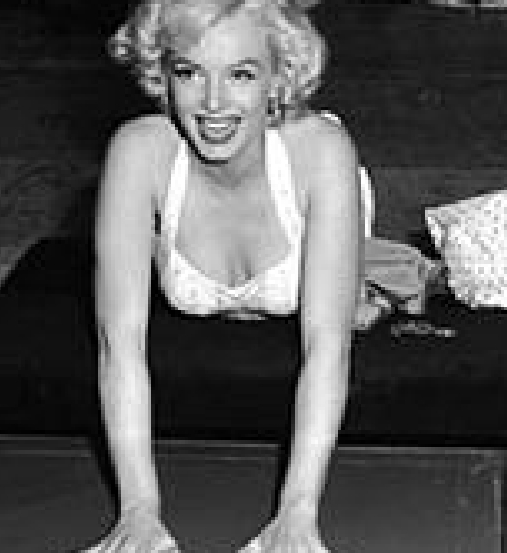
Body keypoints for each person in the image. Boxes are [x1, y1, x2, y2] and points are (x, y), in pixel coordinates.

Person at [87, 0, 362, 551]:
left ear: (278, 78)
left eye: (241, 74)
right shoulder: (138, 151)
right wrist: (139, 512)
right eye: (190, 73)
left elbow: (327, 345)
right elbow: (119, 343)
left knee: (352, 298)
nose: (213, 103)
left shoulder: (321, 153)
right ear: (162, 76)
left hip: (320, 202)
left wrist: (297, 514)